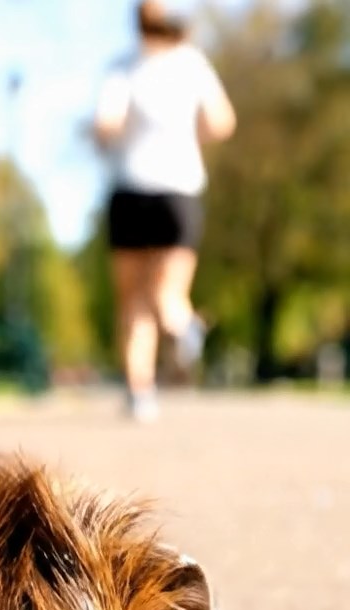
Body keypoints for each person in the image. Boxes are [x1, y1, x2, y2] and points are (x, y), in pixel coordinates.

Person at [93, 1, 236, 422]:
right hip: (179, 189)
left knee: (134, 299)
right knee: (168, 291)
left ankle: (141, 394)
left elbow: (107, 123)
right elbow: (222, 121)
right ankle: (183, 324)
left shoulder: (123, 65)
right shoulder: (193, 65)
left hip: (131, 190)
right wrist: (186, 135)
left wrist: (112, 136)